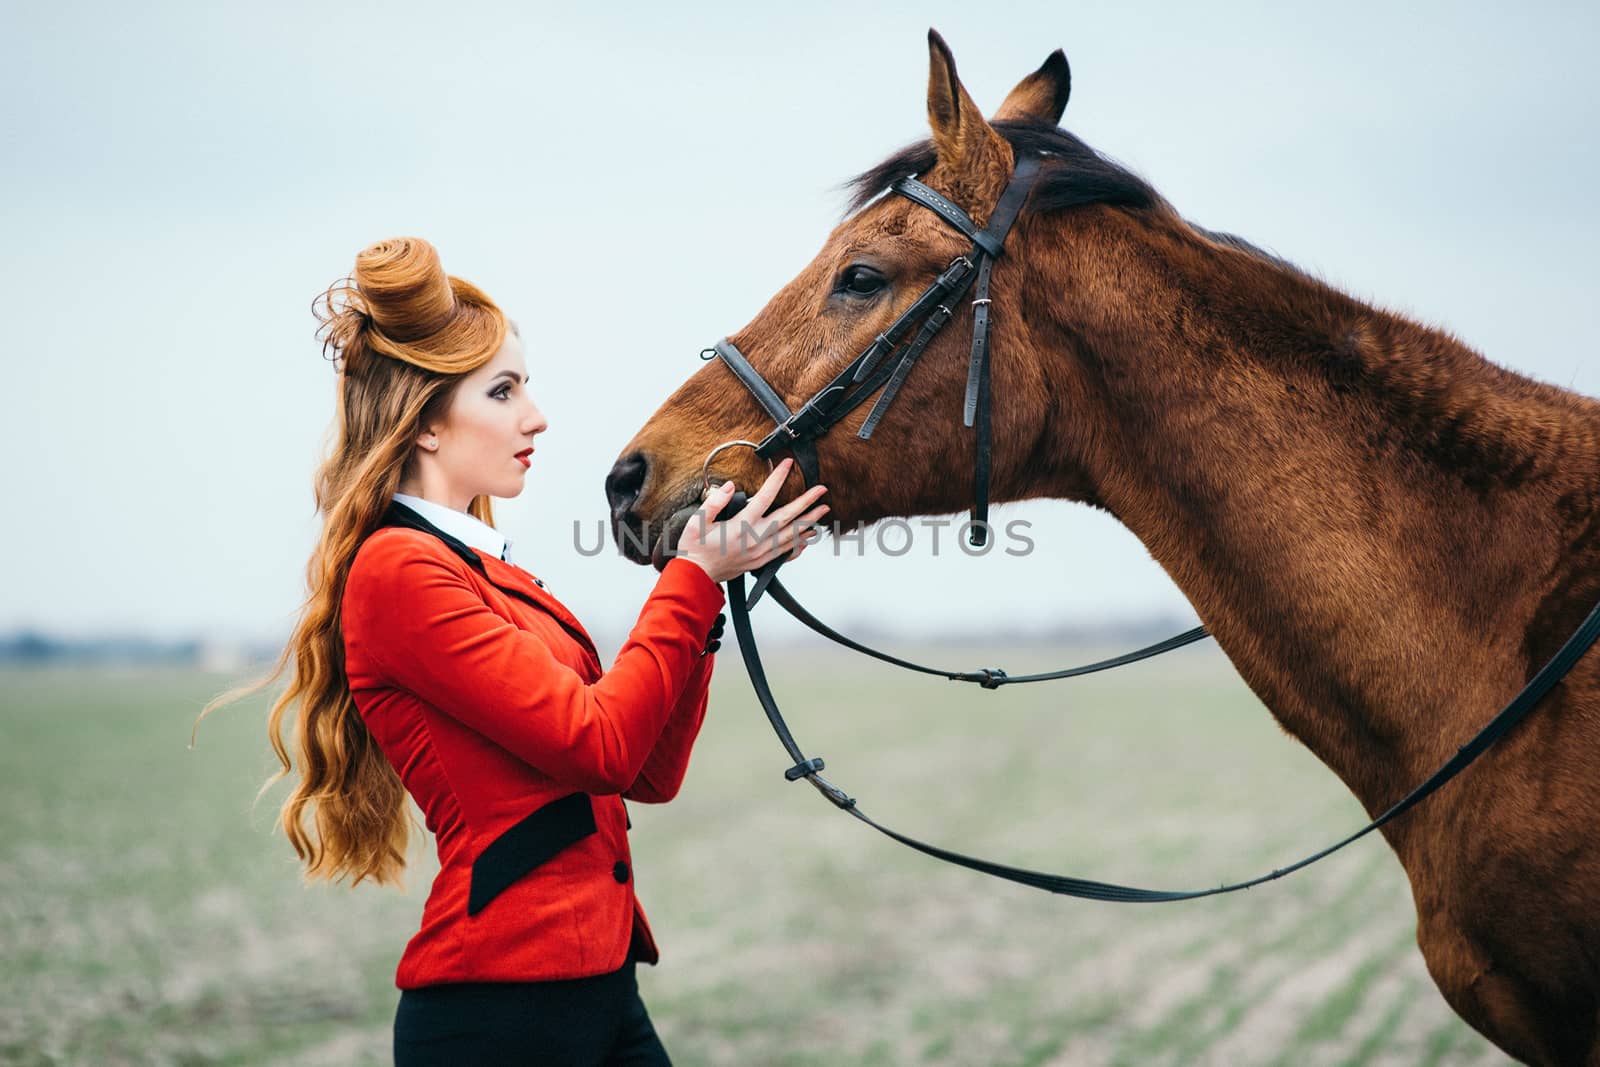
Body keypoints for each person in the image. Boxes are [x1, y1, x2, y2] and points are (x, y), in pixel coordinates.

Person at [196, 236, 828, 1065]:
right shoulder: (399, 571)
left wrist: (708, 595)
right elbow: (599, 744)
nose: (535, 416)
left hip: (600, 987)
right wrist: (693, 574)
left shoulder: (484, 572)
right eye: (503, 391)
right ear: (424, 421)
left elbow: (646, 772)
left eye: (526, 387)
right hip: (498, 1012)